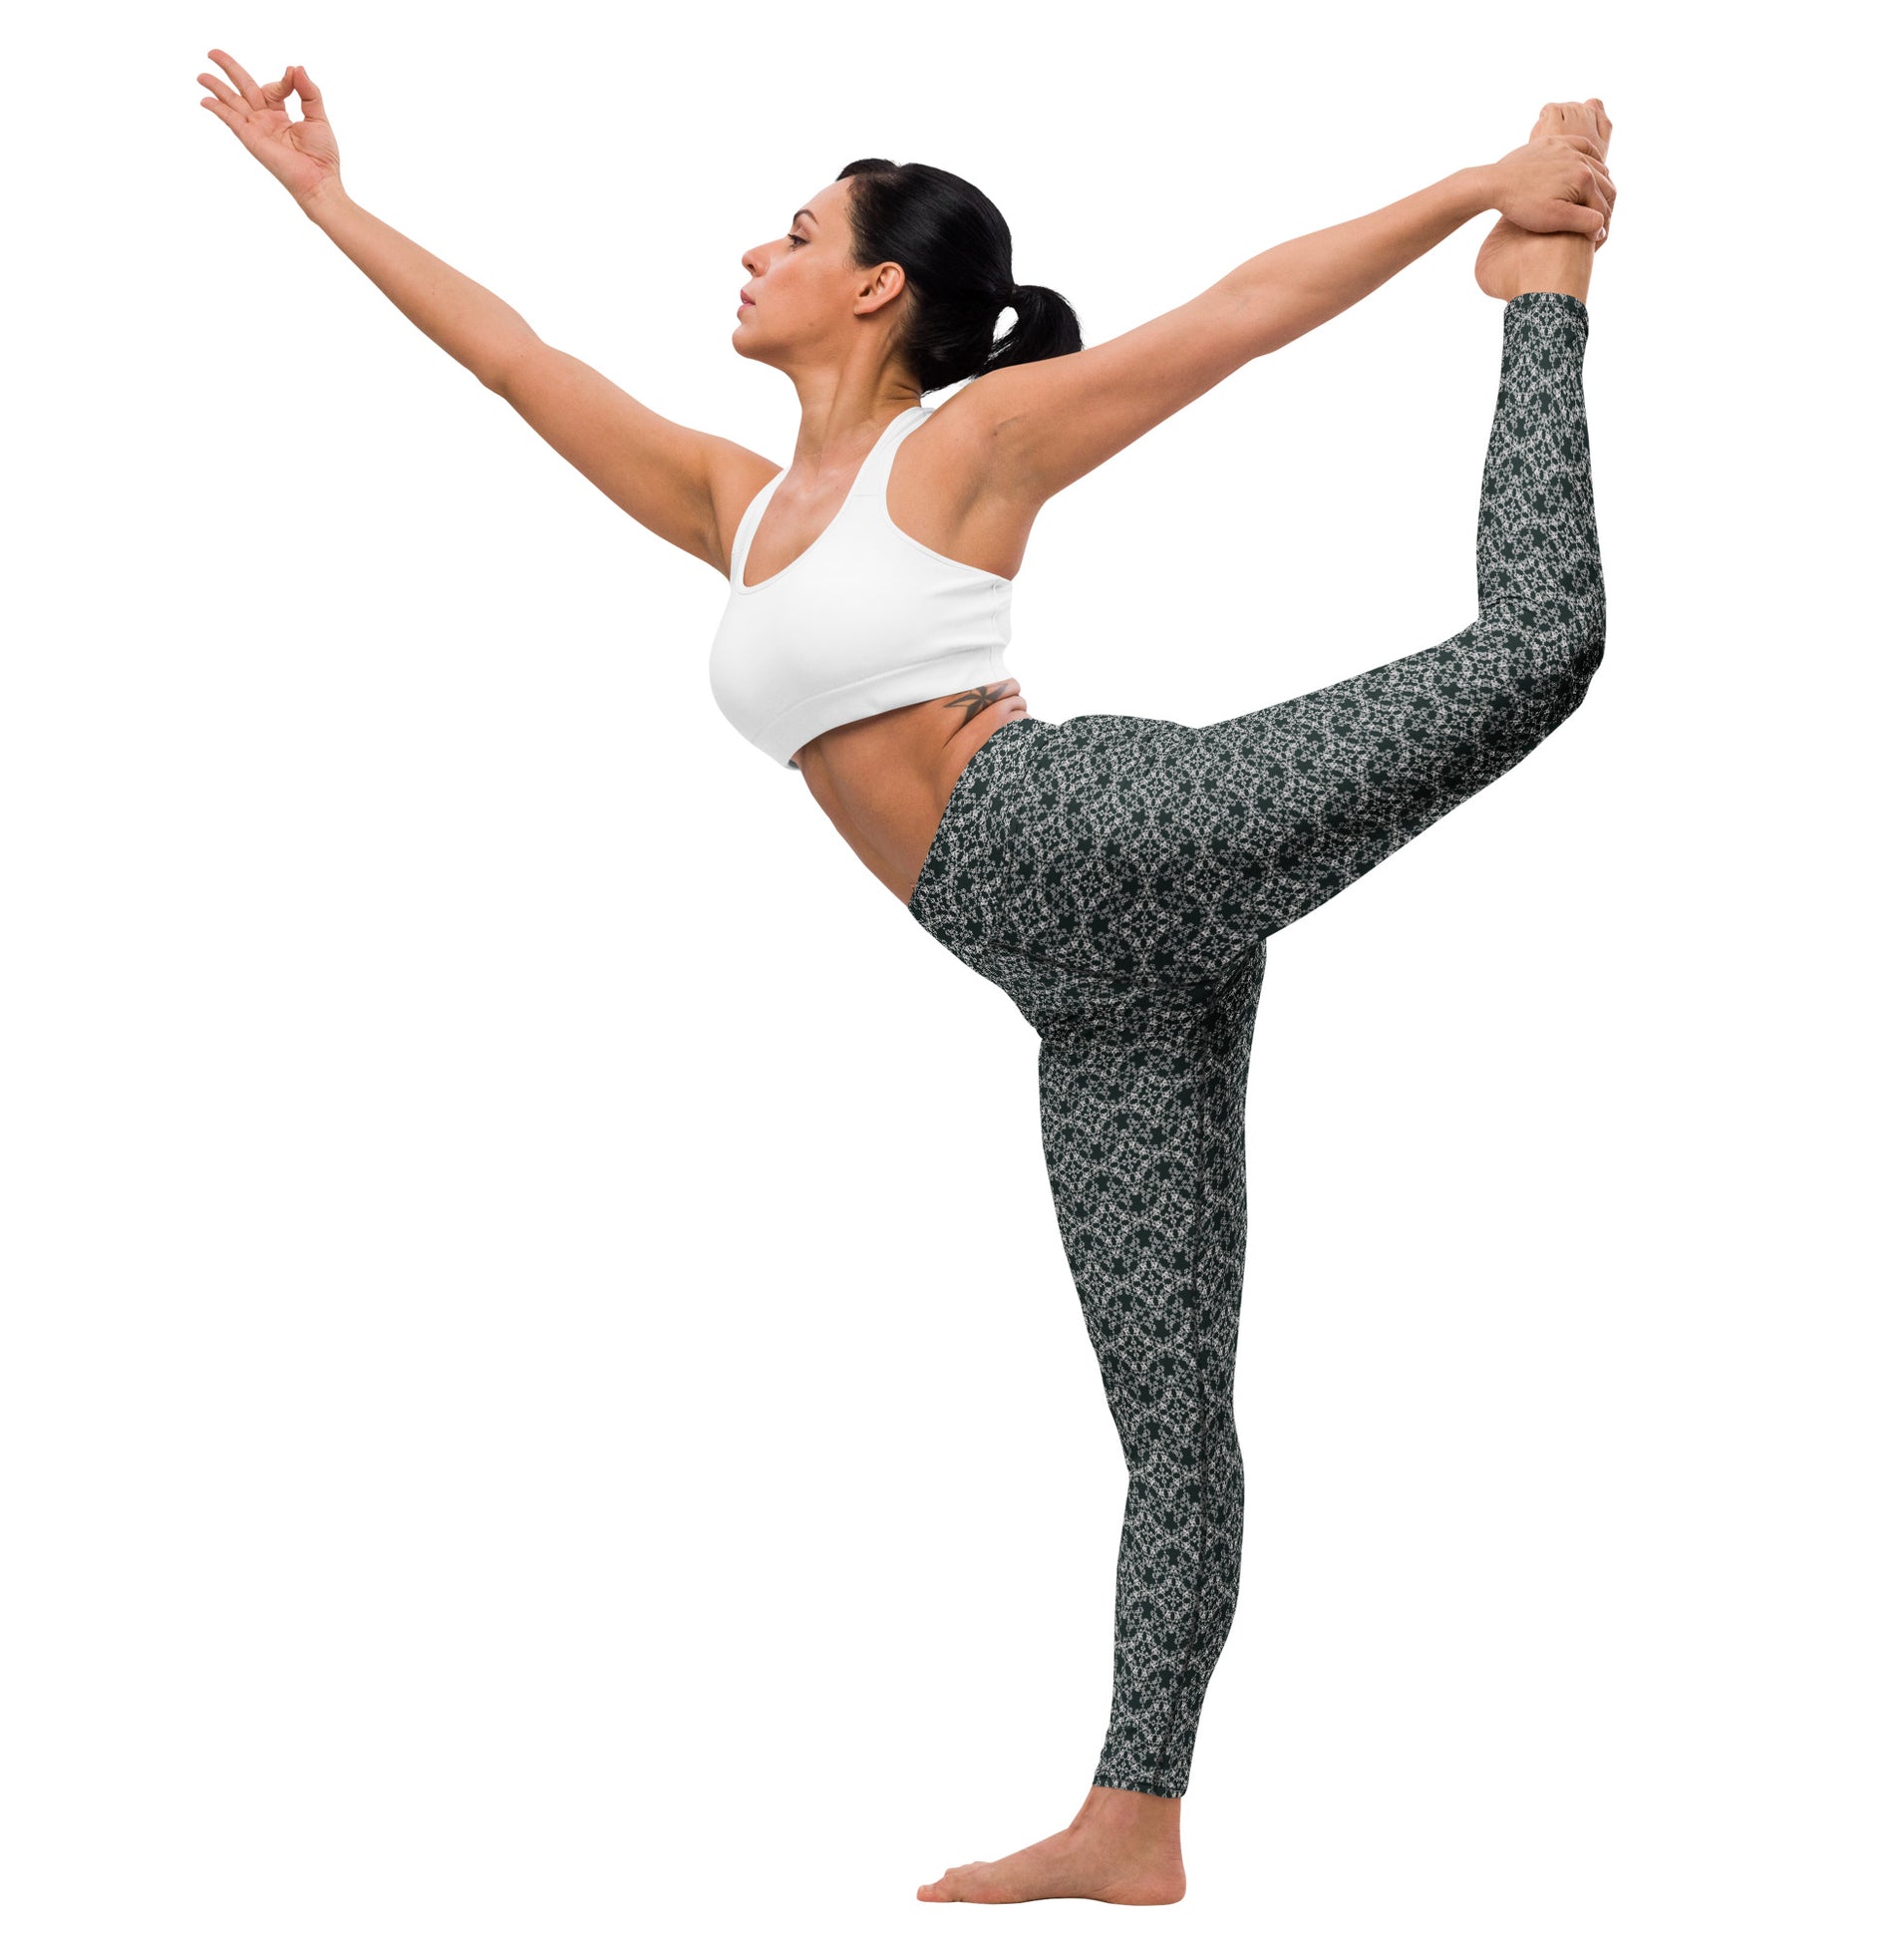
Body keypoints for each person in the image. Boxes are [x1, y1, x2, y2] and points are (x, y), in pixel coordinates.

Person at [196, 54, 1615, 1905]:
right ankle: (1135, 1818)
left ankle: (1544, 289)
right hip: (1080, 991)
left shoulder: (961, 448)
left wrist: (1476, 195)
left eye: (791, 232)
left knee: (1538, 646)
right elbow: (515, 360)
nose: (752, 252)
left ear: (875, 286)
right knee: (1172, 1424)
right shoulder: (734, 503)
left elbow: (1239, 314)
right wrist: (325, 200)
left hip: (1100, 835)